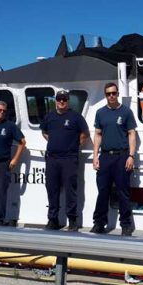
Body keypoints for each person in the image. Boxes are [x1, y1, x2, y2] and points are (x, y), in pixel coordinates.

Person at [91, 82, 137, 236]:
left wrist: (131, 155)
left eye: (113, 93)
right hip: (105, 157)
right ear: (105, 95)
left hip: (122, 156)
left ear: (117, 94)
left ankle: (126, 225)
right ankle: (99, 223)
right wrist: (95, 156)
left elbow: (132, 134)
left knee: (123, 192)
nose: (111, 96)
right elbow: (98, 135)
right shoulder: (100, 113)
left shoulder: (126, 112)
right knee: (102, 191)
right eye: (108, 94)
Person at [41, 89, 89, 231]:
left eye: (64, 99)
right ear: (55, 101)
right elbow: (44, 132)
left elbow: (85, 134)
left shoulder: (76, 117)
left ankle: (72, 220)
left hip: (69, 159)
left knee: (70, 190)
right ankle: (53, 219)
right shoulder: (49, 116)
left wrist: (74, 145)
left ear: (68, 101)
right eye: (59, 99)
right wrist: (55, 141)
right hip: (52, 159)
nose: (61, 101)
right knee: (52, 190)